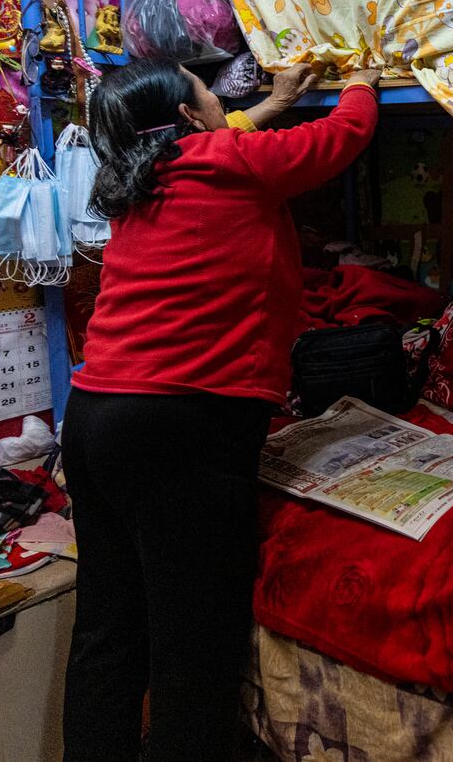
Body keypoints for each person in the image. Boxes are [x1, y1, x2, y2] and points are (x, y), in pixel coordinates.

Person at [62, 59, 380, 761]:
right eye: (204, 87)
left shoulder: (137, 178)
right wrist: (361, 73)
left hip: (92, 417)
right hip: (179, 430)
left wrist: (273, 101)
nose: (218, 95)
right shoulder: (234, 160)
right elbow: (347, 132)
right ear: (184, 118)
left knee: (108, 634)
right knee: (193, 655)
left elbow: (221, 136)